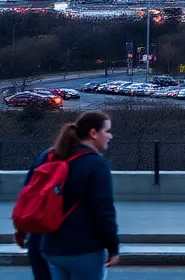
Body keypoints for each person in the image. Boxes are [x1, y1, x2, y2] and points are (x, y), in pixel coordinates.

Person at [18, 111, 119, 280]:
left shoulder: (47, 157)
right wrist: (113, 247)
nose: (110, 136)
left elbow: (28, 196)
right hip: (82, 248)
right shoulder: (96, 164)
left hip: (46, 246)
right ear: (93, 133)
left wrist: (22, 231)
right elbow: (103, 211)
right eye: (107, 131)